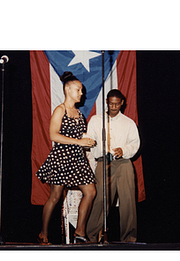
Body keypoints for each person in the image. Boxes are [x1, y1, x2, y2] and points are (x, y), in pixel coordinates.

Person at [36, 71, 96, 244]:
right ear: (68, 89)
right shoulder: (59, 110)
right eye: (78, 90)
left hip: (78, 159)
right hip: (62, 157)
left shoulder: (79, 114)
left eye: (81, 91)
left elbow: (79, 138)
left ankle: (79, 232)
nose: (81, 93)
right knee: (55, 197)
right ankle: (43, 233)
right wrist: (79, 141)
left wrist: (86, 142)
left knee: (90, 192)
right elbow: (53, 136)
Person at [86, 89, 140, 243]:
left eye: (117, 104)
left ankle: (129, 238)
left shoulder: (128, 123)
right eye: (111, 104)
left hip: (123, 163)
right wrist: (97, 146)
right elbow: (90, 139)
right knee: (100, 200)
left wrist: (124, 150)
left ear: (122, 103)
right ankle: (92, 237)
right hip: (104, 163)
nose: (114, 107)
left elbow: (134, 144)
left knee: (128, 201)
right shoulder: (96, 120)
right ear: (106, 103)